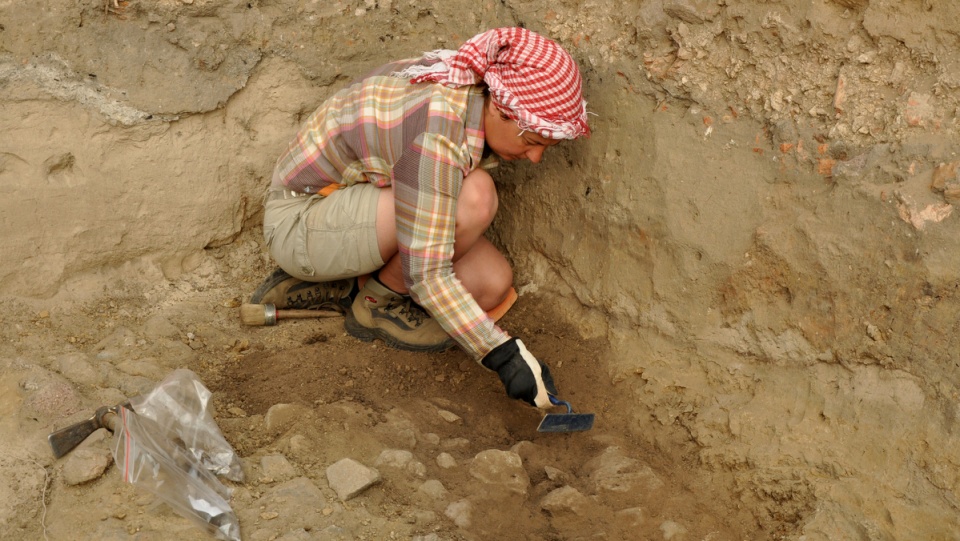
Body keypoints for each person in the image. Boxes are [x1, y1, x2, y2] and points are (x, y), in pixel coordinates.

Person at [251, 27, 590, 409]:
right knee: (475, 199)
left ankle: (352, 286)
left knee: (493, 282)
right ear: (499, 107)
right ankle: (376, 302)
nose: (535, 159)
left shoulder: (471, 90)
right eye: (531, 142)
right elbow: (427, 275)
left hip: (356, 206)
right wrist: (503, 354)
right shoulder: (439, 135)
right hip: (301, 221)